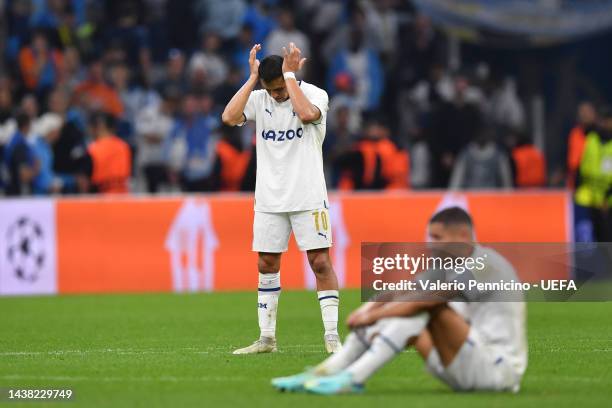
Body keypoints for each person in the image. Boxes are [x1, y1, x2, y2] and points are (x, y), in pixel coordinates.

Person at [272, 207, 527, 395]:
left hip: (497, 371)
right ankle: (321, 373)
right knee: (409, 305)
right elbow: (400, 290)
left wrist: (372, 316)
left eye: (437, 237)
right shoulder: (448, 265)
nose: (430, 244)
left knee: (426, 308)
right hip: (461, 364)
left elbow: (426, 301)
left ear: (462, 236)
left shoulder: (486, 264)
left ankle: (352, 378)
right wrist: (367, 309)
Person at [222, 43, 341, 354]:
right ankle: (267, 339)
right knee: (266, 262)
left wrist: (289, 76)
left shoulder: (314, 94)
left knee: (320, 262)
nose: (276, 95)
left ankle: (331, 337)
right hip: (269, 198)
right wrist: (251, 80)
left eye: (279, 89)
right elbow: (228, 116)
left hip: (308, 194)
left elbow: (305, 114)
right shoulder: (260, 98)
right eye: (270, 89)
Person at [85, 112, 131, 194]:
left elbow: (84, 180)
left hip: (101, 196)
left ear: (99, 127)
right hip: (123, 195)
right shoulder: (124, 146)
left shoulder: (93, 148)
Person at [3, 112, 38, 196]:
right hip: (18, 192)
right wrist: (36, 168)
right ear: (27, 126)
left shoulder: (13, 141)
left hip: (11, 188)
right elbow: (24, 176)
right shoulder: (20, 145)